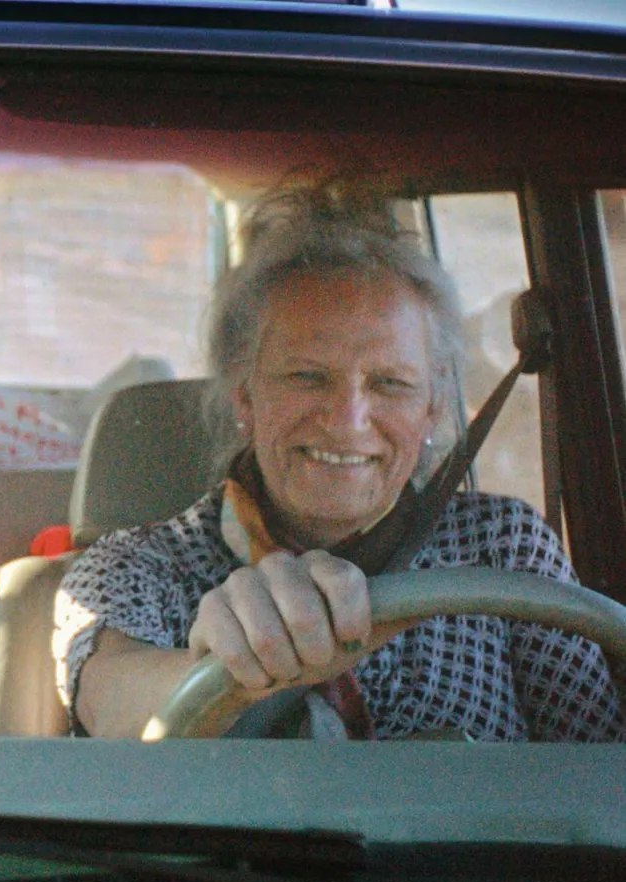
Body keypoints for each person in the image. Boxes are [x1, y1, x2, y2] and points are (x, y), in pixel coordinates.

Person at [54, 179, 626, 742]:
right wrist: (231, 670)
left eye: (390, 383)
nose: (349, 420)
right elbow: (114, 701)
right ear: (244, 396)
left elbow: (600, 765)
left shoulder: (502, 547)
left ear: (431, 408)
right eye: (308, 376)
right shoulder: (134, 567)